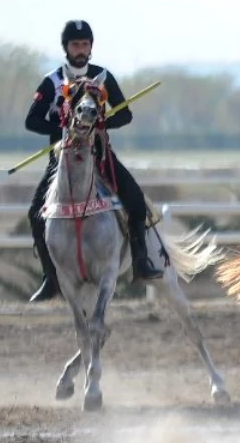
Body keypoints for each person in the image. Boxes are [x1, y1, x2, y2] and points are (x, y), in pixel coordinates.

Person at [24, 19, 162, 302]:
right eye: (75, 45)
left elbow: (125, 115)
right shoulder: (52, 81)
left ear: (91, 47)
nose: (80, 49)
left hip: (100, 157)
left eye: (85, 44)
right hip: (61, 162)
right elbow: (31, 120)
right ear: (66, 48)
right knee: (34, 213)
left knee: (136, 201)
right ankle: (50, 277)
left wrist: (100, 123)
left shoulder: (103, 76)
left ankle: (141, 261)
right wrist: (65, 128)